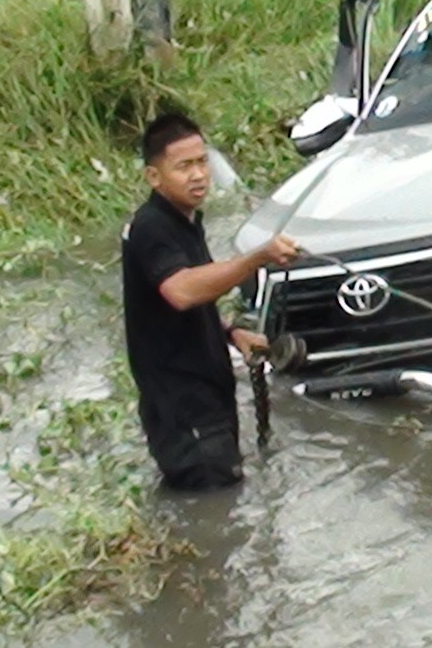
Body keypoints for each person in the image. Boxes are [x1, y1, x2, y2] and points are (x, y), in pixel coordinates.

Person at [123, 113, 300, 490]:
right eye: (183, 166)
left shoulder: (183, 220)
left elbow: (173, 308)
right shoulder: (152, 226)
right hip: (184, 409)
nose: (198, 175)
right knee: (213, 499)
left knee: (221, 500)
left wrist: (231, 333)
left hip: (204, 399)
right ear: (154, 177)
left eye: (202, 162)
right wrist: (257, 258)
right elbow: (183, 291)